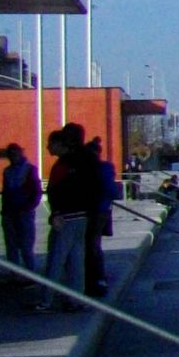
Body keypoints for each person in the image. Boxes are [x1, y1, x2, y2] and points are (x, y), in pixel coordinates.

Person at [39, 126, 99, 313]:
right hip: (84, 215)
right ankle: (76, 299)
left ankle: (46, 300)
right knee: (76, 261)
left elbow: (55, 191)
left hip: (65, 217)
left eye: (51, 144)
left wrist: (56, 212)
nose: (48, 148)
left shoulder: (63, 165)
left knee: (56, 259)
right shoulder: (88, 159)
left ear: (61, 143)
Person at [0, 142, 39, 271]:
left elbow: (36, 191)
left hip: (24, 212)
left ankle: (30, 273)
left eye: (15, 153)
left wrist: (29, 206)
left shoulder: (30, 169)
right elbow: (5, 192)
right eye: (11, 154)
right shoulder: (7, 171)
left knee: (25, 245)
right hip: (11, 212)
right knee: (12, 245)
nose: (13, 156)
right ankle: (16, 273)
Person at [85, 138, 116, 298]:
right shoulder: (105, 168)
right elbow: (112, 191)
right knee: (93, 246)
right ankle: (97, 278)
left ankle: (95, 279)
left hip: (94, 211)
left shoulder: (88, 169)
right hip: (100, 210)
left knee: (91, 246)